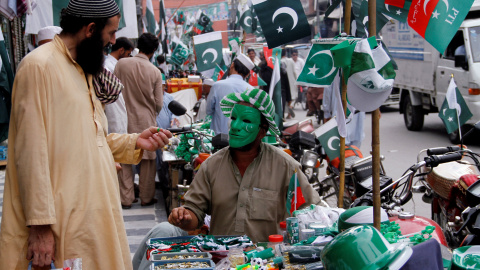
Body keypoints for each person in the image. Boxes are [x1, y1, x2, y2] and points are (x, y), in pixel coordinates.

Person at [0, 0, 172, 269]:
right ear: (90, 29)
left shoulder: (83, 69)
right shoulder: (38, 67)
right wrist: (41, 228)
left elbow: (89, 137)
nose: (113, 41)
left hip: (94, 214)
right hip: (61, 222)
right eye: (111, 33)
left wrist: (134, 141)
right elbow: (30, 154)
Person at [132, 89, 321, 270]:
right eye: (233, 118)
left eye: (246, 120)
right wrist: (184, 216)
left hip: (265, 263)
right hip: (219, 263)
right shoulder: (211, 165)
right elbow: (195, 213)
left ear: (263, 131)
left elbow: (312, 214)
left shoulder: (286, 167)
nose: (236, 126)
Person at [114, 32, 164, 208]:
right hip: (146, 120)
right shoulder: (155, 72)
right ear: (154, 51)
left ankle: (126, 198)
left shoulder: (121, 64)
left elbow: (113, 91)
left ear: (138, 46)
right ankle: (146, 197)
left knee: (125, 158)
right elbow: (159, 104)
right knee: (148, 162)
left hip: (124, 117)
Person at [104, 37, 136, 208]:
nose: (128, 57)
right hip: (114, 123)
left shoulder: (113, 66)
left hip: (119, 122)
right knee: (119, 163)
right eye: (128, 54)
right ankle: (122, 197)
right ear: (122, 50)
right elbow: (112, 106)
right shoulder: (108, 67)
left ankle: (124, 196)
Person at [206, 53, 255, 135]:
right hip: (241, 137)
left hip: (219, 137)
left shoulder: (217, 85)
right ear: (247, 75)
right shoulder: (251, 90)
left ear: (232, 65)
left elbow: (208, 111)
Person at [323, 74, 365, 148]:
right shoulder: (361, 68)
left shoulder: (335, 69)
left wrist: (327, 113)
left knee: (343, 143)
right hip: (349, 112)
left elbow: (327, 92)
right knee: (353, 144)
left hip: (347, 112)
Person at [281, 49, 296, 119]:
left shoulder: (279, 62)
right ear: (286, 53)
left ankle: (286, 112)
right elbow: (294, 72)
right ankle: (290, 107)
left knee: (285, 98)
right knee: (292, 97)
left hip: (284, 82)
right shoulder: (291, 61)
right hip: (292, 81)